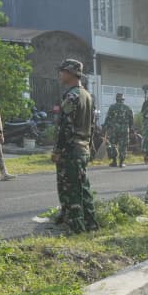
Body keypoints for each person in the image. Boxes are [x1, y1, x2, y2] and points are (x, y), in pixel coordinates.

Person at [51, 59, 98, 234]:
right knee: (82, 187)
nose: (60, 74)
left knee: (71, 189)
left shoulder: (72, 96)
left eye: (62, 71)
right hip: (82, 147)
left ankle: (76, 227)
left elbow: (66, 127)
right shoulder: (87, 95)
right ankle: (90, 223)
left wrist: (57, 150)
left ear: (70, 73)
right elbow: (92, 125)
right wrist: (90, 146)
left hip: (71, 149)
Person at [104, 92, 134, 168]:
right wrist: (130, 128)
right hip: (124, 130)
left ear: (116, 99)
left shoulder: (112, 107)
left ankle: (114, 161)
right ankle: (121, 162)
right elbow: (131, 120)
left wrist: (106, 127)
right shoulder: (128, 108)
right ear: (123, 99)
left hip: (114, 129)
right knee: (123, 146)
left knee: (113, 144)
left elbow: (108, 118)